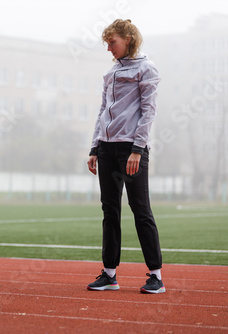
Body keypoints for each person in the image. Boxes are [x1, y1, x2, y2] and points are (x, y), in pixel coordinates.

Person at [86, 19, 165, 294]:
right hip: (107, 149)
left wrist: (137, 149)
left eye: (113, 42)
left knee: (140, 209)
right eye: (107, 43)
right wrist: (95, 148)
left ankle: (156, 276)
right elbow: (102, 111)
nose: (109, 48)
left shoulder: (147, 69)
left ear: (128, 39)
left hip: (131, 149)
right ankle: (110, 274)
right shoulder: (110, 73)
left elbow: (148, 111)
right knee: (110, 210)